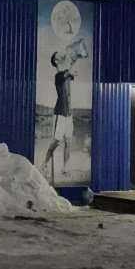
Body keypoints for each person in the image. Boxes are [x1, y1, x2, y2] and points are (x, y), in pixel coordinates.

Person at [43, 37, 87, 181]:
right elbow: (69, 71)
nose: (61, 57)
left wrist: (76, 56)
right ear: (56, 62)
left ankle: (65, 168)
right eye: (58, 57)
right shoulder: (58, 76)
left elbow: (71, 71)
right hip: (60, 114)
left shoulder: (65, 73)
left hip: (68, 114)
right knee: (56, 142)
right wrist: (76, 56)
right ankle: (44, 164)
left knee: (69, 142)